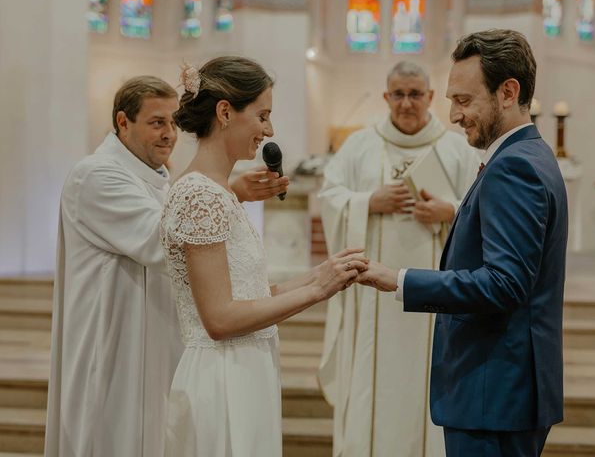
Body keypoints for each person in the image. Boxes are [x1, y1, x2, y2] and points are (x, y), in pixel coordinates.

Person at [45, 75, 290, 457]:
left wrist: (224, 195)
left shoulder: (163, 181)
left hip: (158, 341)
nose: (169, 134)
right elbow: (162, 242)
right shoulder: (95, 175)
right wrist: (227, 194)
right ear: (123, 122)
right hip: (112, 344)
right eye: (157, 122)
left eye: (174, 123)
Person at [357, 30, 568, 457]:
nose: (453, 115)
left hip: (493, 393)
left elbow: (504, 284)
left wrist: (398, 279)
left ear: (508, 92)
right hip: (505, 390)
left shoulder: (513, 169)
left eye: (464, 100)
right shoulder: (529, 156)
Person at [159, 56, 368, 457]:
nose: (269, 130)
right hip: (221, 377)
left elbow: (252, 292)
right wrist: (317, 293)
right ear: (224, 112)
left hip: (244, 369)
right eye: (262, 115)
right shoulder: (200, 195)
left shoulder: (218, 192)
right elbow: (220, 319)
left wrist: (320, 274)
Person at [318, 61, 479, 457]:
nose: (407, 103)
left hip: (437, 298)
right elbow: (329, 196)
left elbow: (484, 209)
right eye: (398, 95)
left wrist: (450, 212)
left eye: (415, 94)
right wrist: (367, 202)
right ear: (387, 97)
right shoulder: (360, 145)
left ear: (429, 98)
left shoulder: (456, 147)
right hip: (371, 299)